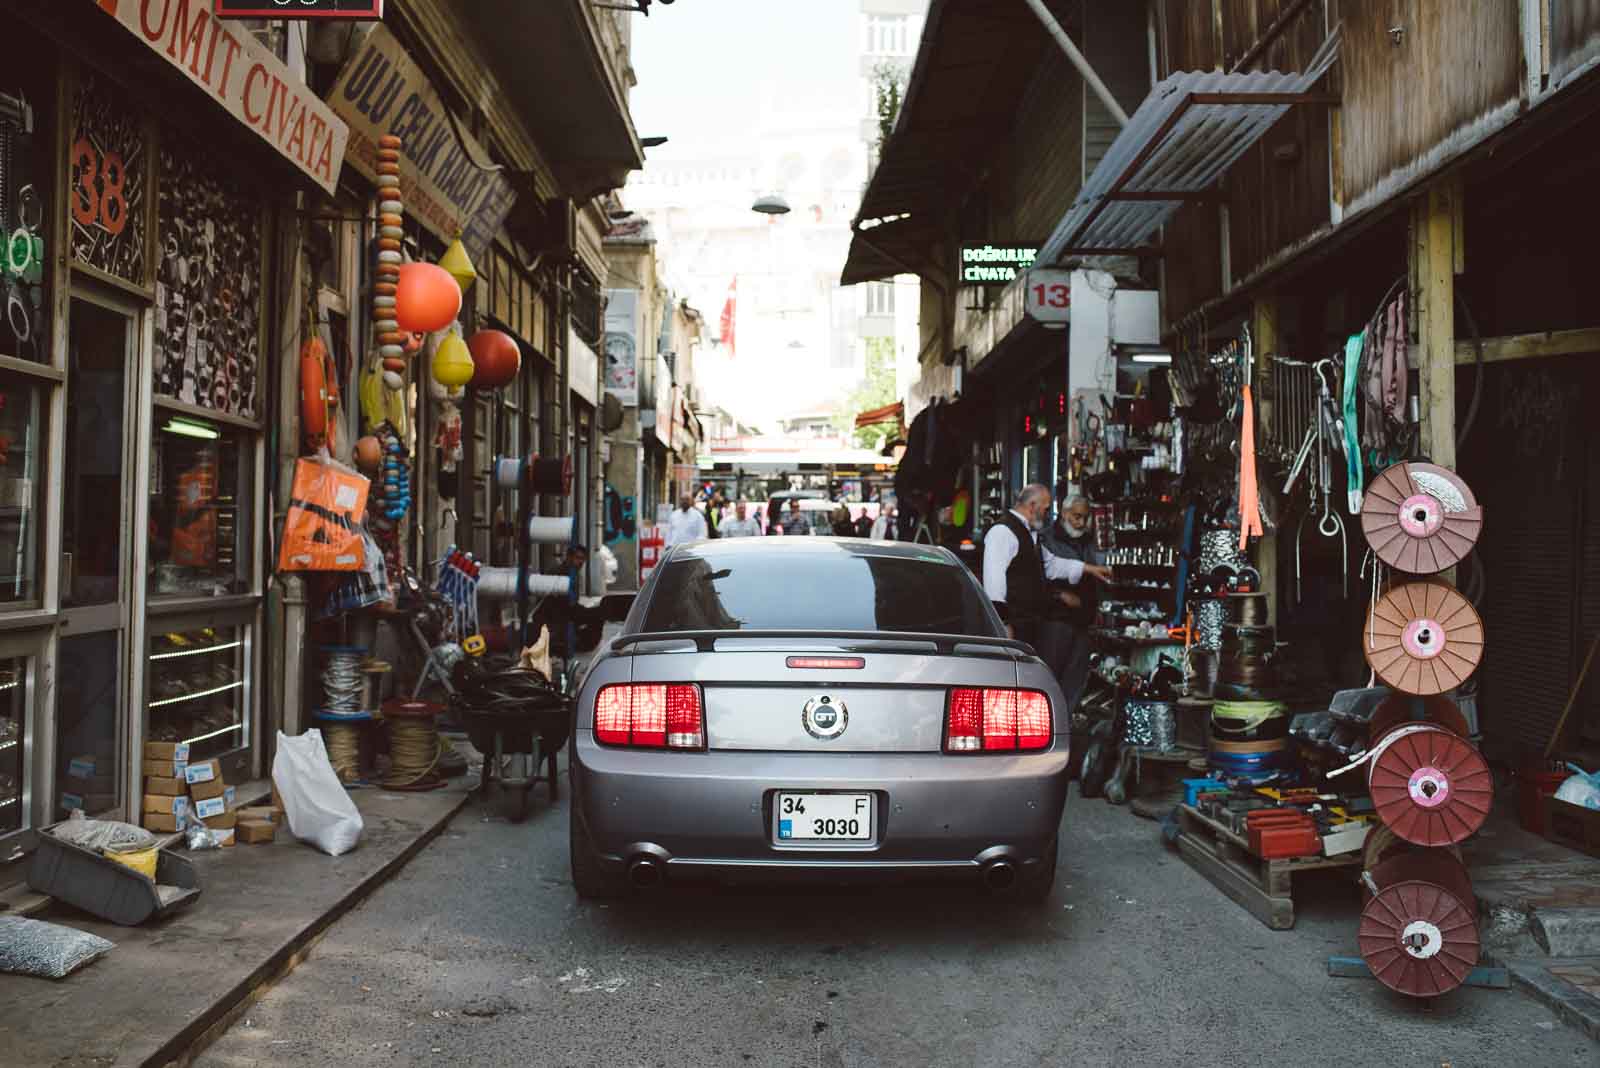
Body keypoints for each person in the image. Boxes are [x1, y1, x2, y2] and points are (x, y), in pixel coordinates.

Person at [981, 484, 1111, 645]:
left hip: (1030, 623)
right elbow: (994, 583)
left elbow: (1050, 564)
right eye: (1046, 508)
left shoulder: (1027, 533)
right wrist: (1002, 623)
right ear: (1032, 505)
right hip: (1014, 624)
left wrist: (1090, 569)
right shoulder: (1003, 532)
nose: (1047, 514)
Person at [1039, 496, 1104, 715]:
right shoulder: (1046, 539)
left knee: (1074, 680)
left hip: (1083, 620)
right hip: (1057, 620)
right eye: (1077, 516)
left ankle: (1064, 726)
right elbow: (1039, 578)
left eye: (1085, 517)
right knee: (1051, 676)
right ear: (1064, 513)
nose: (1081, 522)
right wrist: (1059, 594)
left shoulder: (1086, 540)